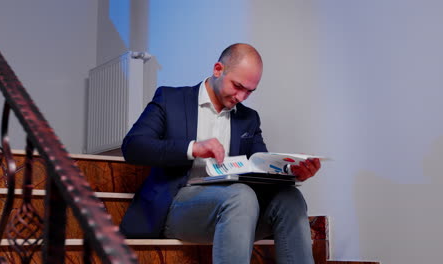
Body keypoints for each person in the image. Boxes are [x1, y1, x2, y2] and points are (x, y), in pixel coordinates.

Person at [120, 43, 321, 264]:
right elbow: (133, 146)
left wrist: (290, 173)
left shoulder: (249, 118)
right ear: (218, 69)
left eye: (249, 91)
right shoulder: (170, 99)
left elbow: (260, 167)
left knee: (291, 199)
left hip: (240, 213)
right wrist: (192, 148)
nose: (241, 97)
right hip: (178, 207)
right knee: (240, 196)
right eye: (237, 86)